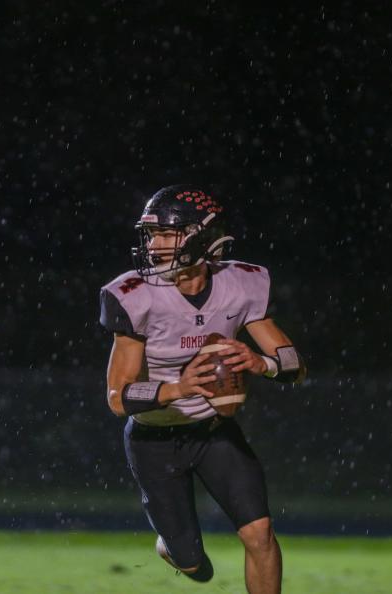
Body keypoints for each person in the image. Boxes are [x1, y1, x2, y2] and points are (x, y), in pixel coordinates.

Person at [99, 185, 306, 594]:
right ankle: (176, 550)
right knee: (196, 565)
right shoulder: (135, 296)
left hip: (213, 432)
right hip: (154, 440)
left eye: (166, 235)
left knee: (260, 533)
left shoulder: (241, 284)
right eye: (151, 235)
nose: (154, 246)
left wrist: (260, 363)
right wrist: (180, 387)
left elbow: (295, 367)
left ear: (200, 237)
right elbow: (117, 398)